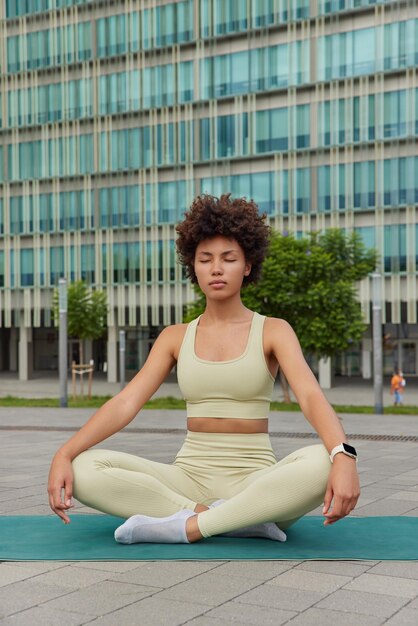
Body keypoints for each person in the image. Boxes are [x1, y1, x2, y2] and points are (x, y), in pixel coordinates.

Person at [48, 194, 360, 545]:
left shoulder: (274, 330)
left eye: (228, 259)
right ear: (192, 266)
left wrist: (343, 457)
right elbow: (126, 402)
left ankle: (187, 527)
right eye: (205, 259)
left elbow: (309, 395)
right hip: (187, 480)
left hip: (257, 481)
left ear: (246, 266)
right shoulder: (174, 337)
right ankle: (237, 519)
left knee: (323, 460)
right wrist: (65, 453)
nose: (216, 268)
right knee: (83, 468)